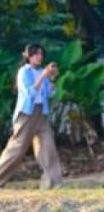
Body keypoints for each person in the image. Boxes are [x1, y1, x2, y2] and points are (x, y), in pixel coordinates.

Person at [0, 44, 62, 189]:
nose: (39, 57)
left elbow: (50, 93)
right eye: (35, 54)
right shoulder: (23, 72)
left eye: (40, 54)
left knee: (48, 146)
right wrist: (44, 75)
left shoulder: (41, 72)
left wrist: (52, 78)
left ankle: (53, 183)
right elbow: (29, 93)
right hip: (26, 114)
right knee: (17, 149)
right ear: (28, 56)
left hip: (41, 113)